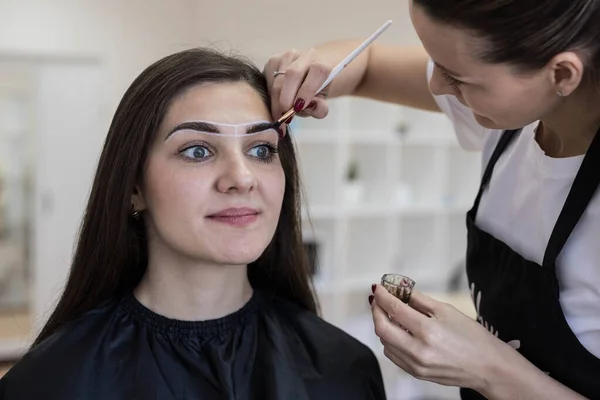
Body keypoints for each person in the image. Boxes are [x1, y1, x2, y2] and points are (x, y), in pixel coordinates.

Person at [0, 48, 386, 400]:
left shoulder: (345, 370)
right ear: (134, 187)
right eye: (197, 150)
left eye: (261, 149)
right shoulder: (48, 385)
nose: (242, 177)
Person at [263, 0, 600, 399]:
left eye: (458, 78)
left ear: (561, 73)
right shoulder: (516, 118)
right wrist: (310, 71)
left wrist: (489, 369)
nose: (437, 87)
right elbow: (366, 63)